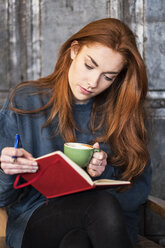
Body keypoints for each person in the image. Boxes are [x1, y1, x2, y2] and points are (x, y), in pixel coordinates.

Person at [0, 18, 152, 248]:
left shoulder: (122, 113)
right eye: (89, 66)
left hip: (104, 226)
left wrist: (101, 173)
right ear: (74, 50)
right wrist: (7, 170)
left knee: (78, 241)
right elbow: (2, 198)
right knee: (99, 207)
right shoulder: (25, 100)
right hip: (36, 222)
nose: (93, 82)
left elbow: (137, 190)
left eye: (108, 77)